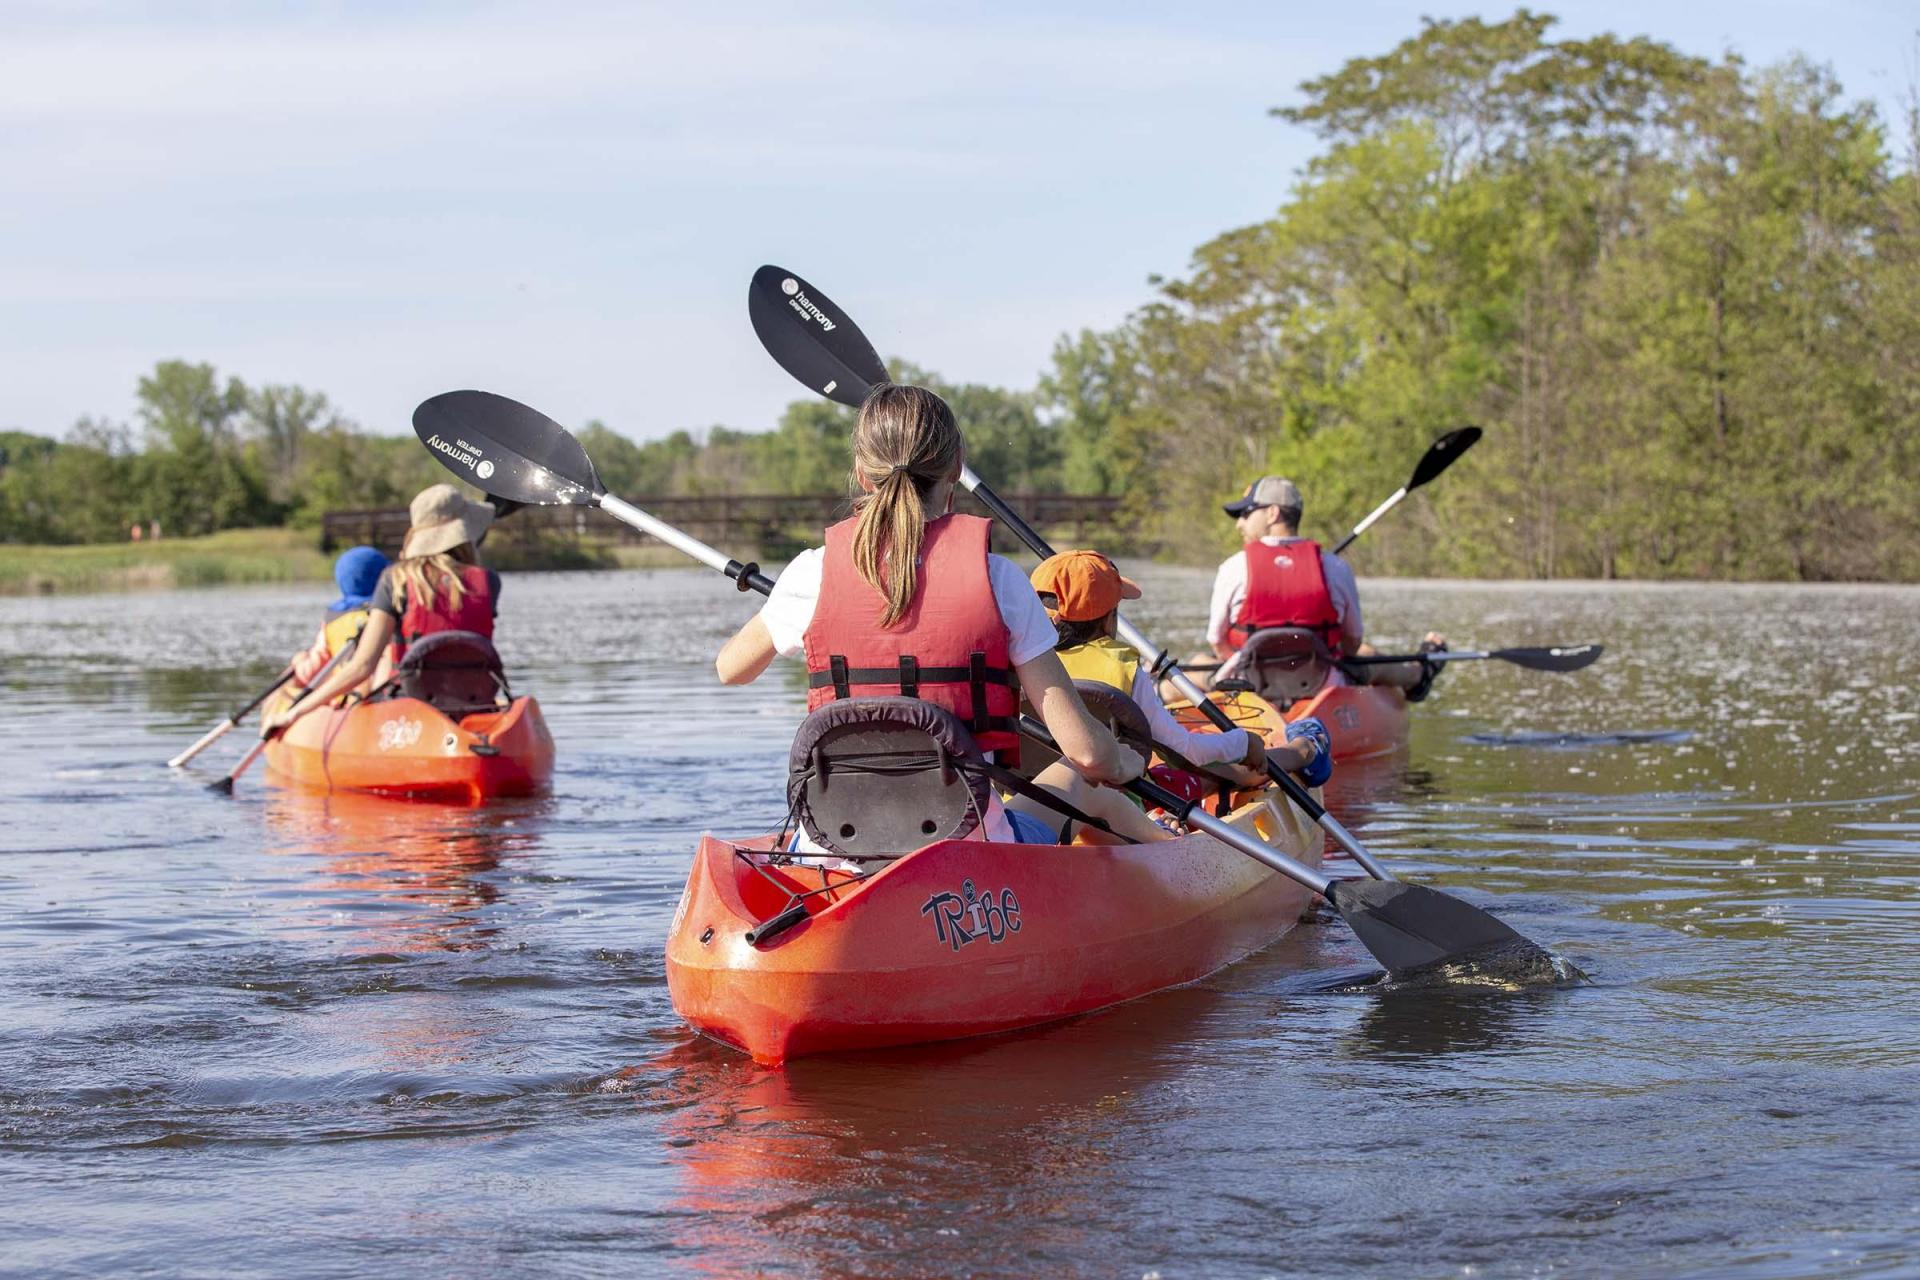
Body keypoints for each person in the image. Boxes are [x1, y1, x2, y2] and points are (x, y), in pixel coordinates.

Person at [714, 382, 1167, 847]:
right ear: (955, 467)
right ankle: (1177, 862)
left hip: (832, 853)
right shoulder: (1001, 580)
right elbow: (1087, 753)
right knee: (1083, 781)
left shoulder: (811, 573)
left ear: (861, 473)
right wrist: (1124, 762)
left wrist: (789, 604)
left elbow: (730, 669)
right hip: (970, 852)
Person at [1031, 548, 1333, 789]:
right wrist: (1245, 742)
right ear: (1109, 619)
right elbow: (1183, 751)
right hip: (1121, 806)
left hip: (1032, 801)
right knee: (1237, 773)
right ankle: (1305, 749)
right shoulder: (1121, 666)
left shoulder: (1018, 663)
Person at [261, 485, 500, 737]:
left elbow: (363, 665)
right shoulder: (489, 582)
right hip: (474, 702)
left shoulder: (393, 581)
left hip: (408, 706)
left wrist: (296, 711)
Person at [1192, 475, 1445, 699]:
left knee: (1195, 665)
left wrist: (1248, 659)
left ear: (1272, 513)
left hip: (1248, 683)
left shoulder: (1232, 567)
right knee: (1368, 655)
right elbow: (1352, 641)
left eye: (1246, 514)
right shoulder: (1336, 567)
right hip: (1322, 682)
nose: (1240, 524)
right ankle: (1419, 674)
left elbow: (1217, 641)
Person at [281, 544, 390, 699]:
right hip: (379, 696)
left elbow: (311, 672)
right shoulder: (388, 613)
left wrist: (299, 662)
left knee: (300, 661)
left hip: (344, 699)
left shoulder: (333, 618)